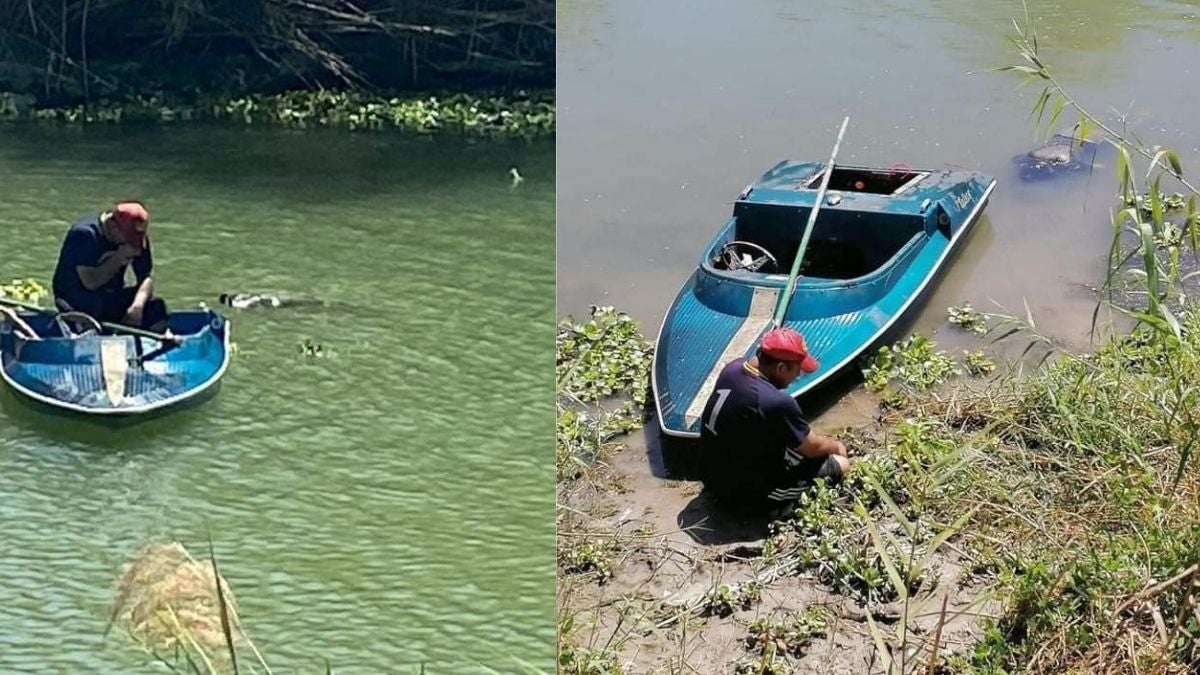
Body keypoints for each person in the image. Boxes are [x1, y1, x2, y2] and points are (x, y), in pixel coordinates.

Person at [697, 327, 850, 512]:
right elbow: (812, 448)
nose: (799, 376)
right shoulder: (775, 402)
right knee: (840, 464)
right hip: (736, 493)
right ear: (781, 368)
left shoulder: (733, 368)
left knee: (796, 441)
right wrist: (836, 447)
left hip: (709, 470)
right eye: (797, 370)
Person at [51, 201, 169, 331]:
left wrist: (137, 307)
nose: (130, 243)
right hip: (77, 298)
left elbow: (146, 277)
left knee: (156, 306)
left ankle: (153, 343)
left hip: (110, 295)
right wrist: (118, 258)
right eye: (128, 238)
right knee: (92, 308)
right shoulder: (84, 235)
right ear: (113, 226)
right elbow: (91, 282)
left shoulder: (135, 237)